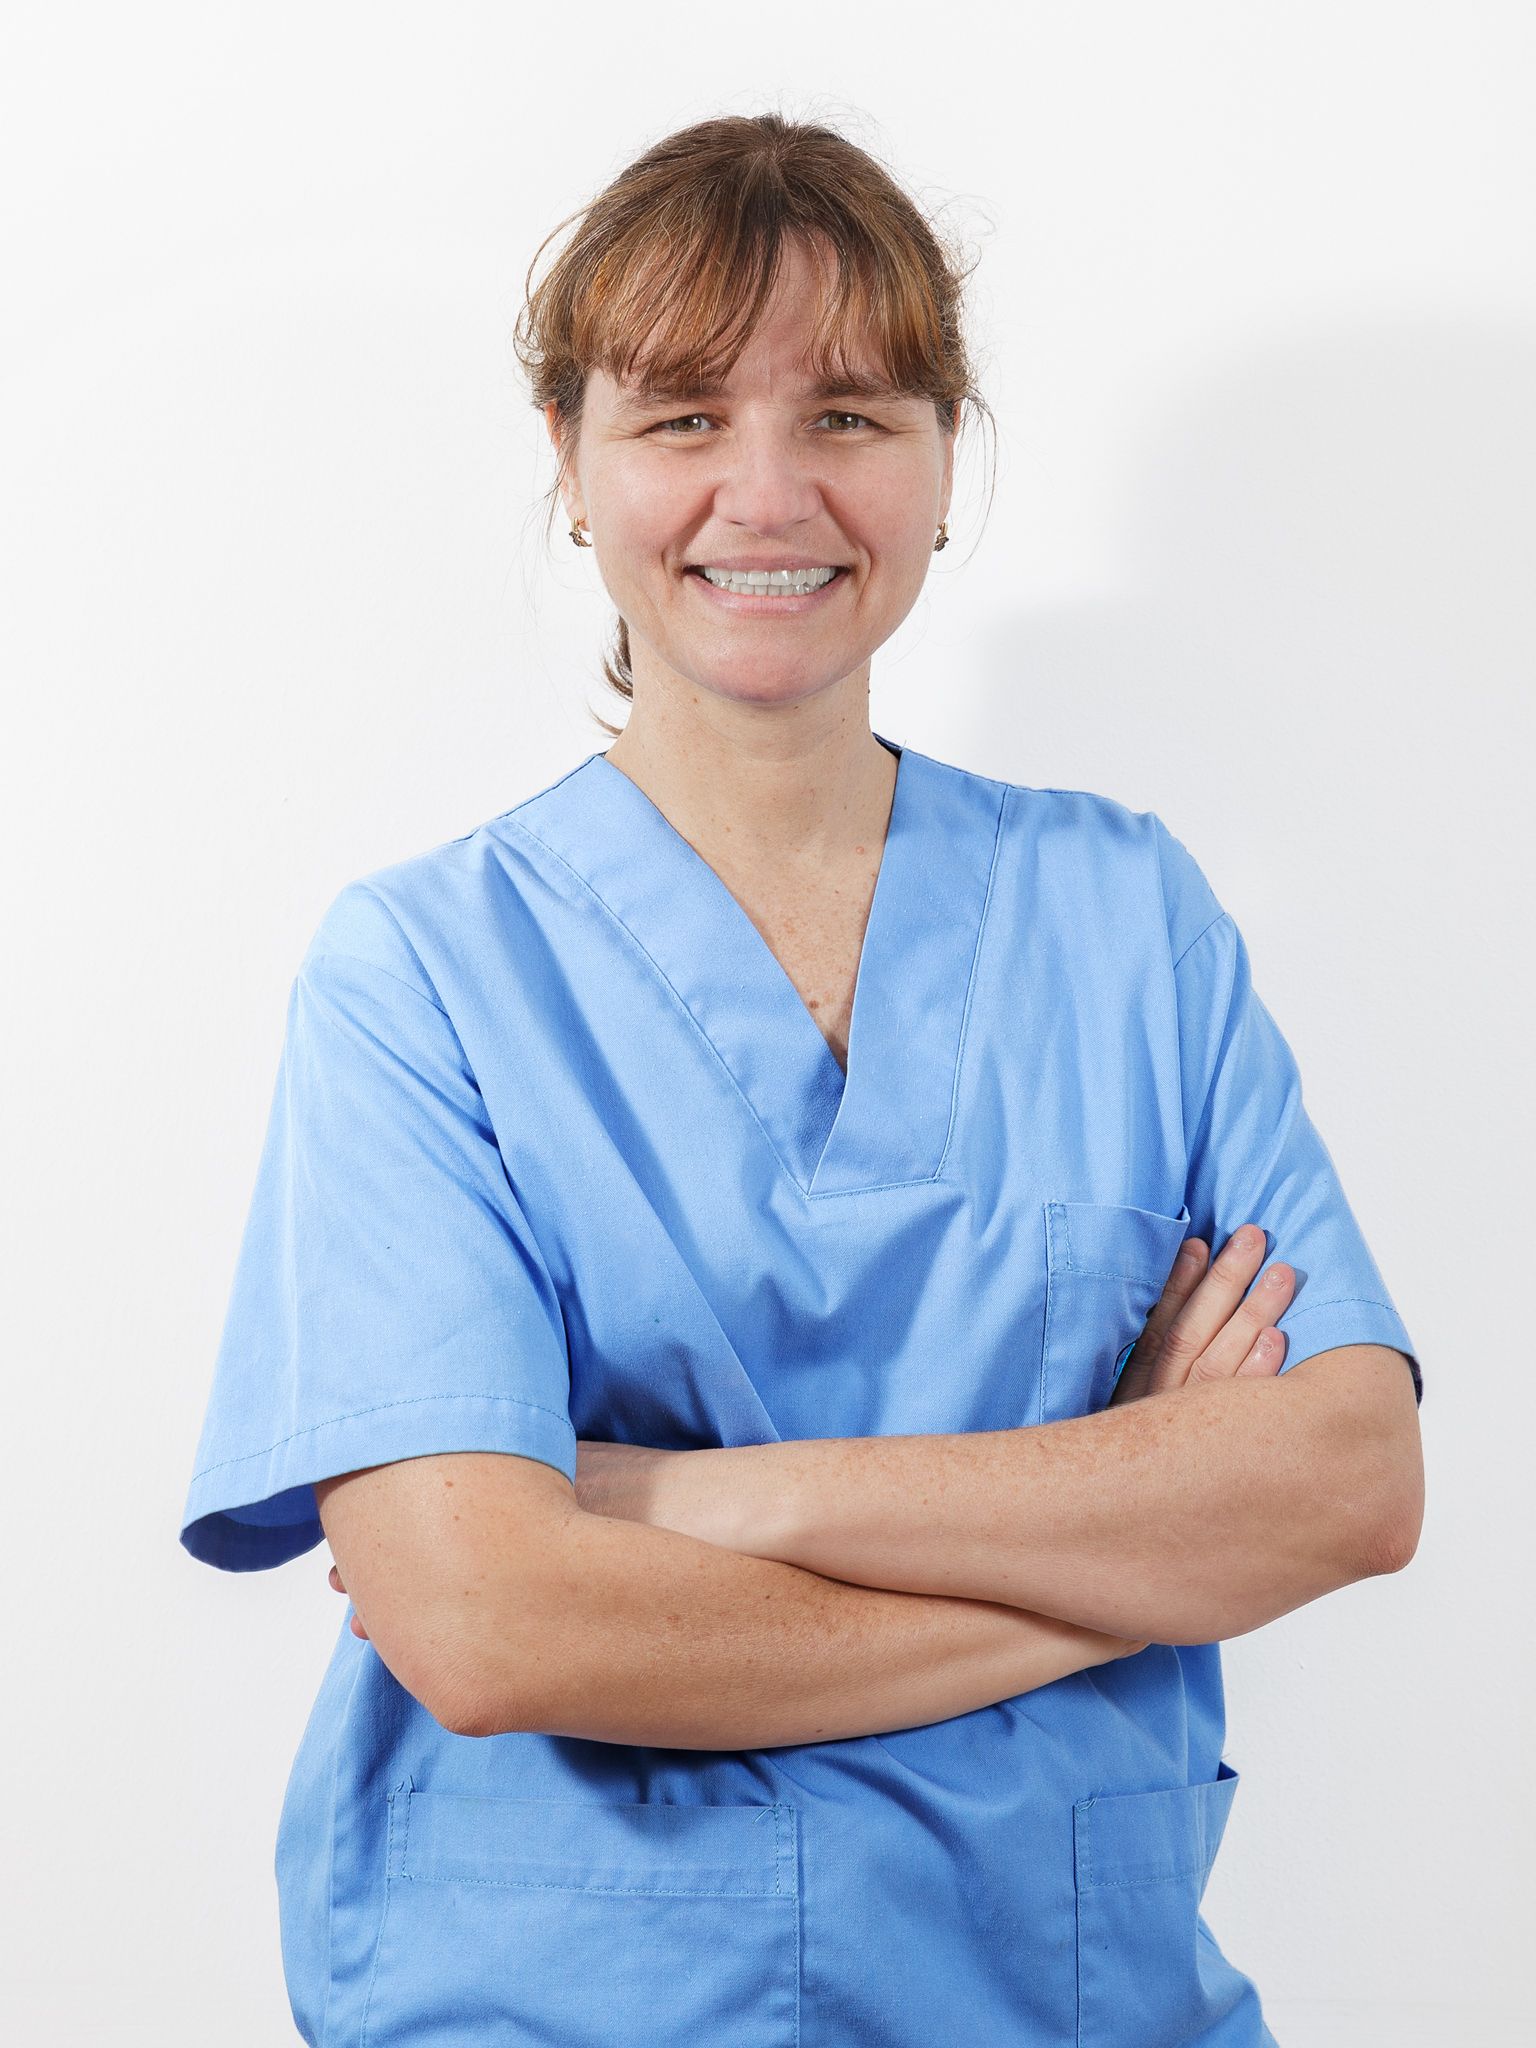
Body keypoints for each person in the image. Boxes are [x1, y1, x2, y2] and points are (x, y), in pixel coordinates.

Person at [179, 111, 1424, 2047]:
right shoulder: (424, 970)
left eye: (849, 414)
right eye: (682, 418)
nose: (768, 493)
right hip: (569, 2005)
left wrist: (699, 1502)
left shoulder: (1128, 914)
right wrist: (1127, 1558)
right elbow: (491, 1623)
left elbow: (1343, 1482)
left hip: (1080, 2001)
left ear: (944, 462)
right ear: (571, 469)